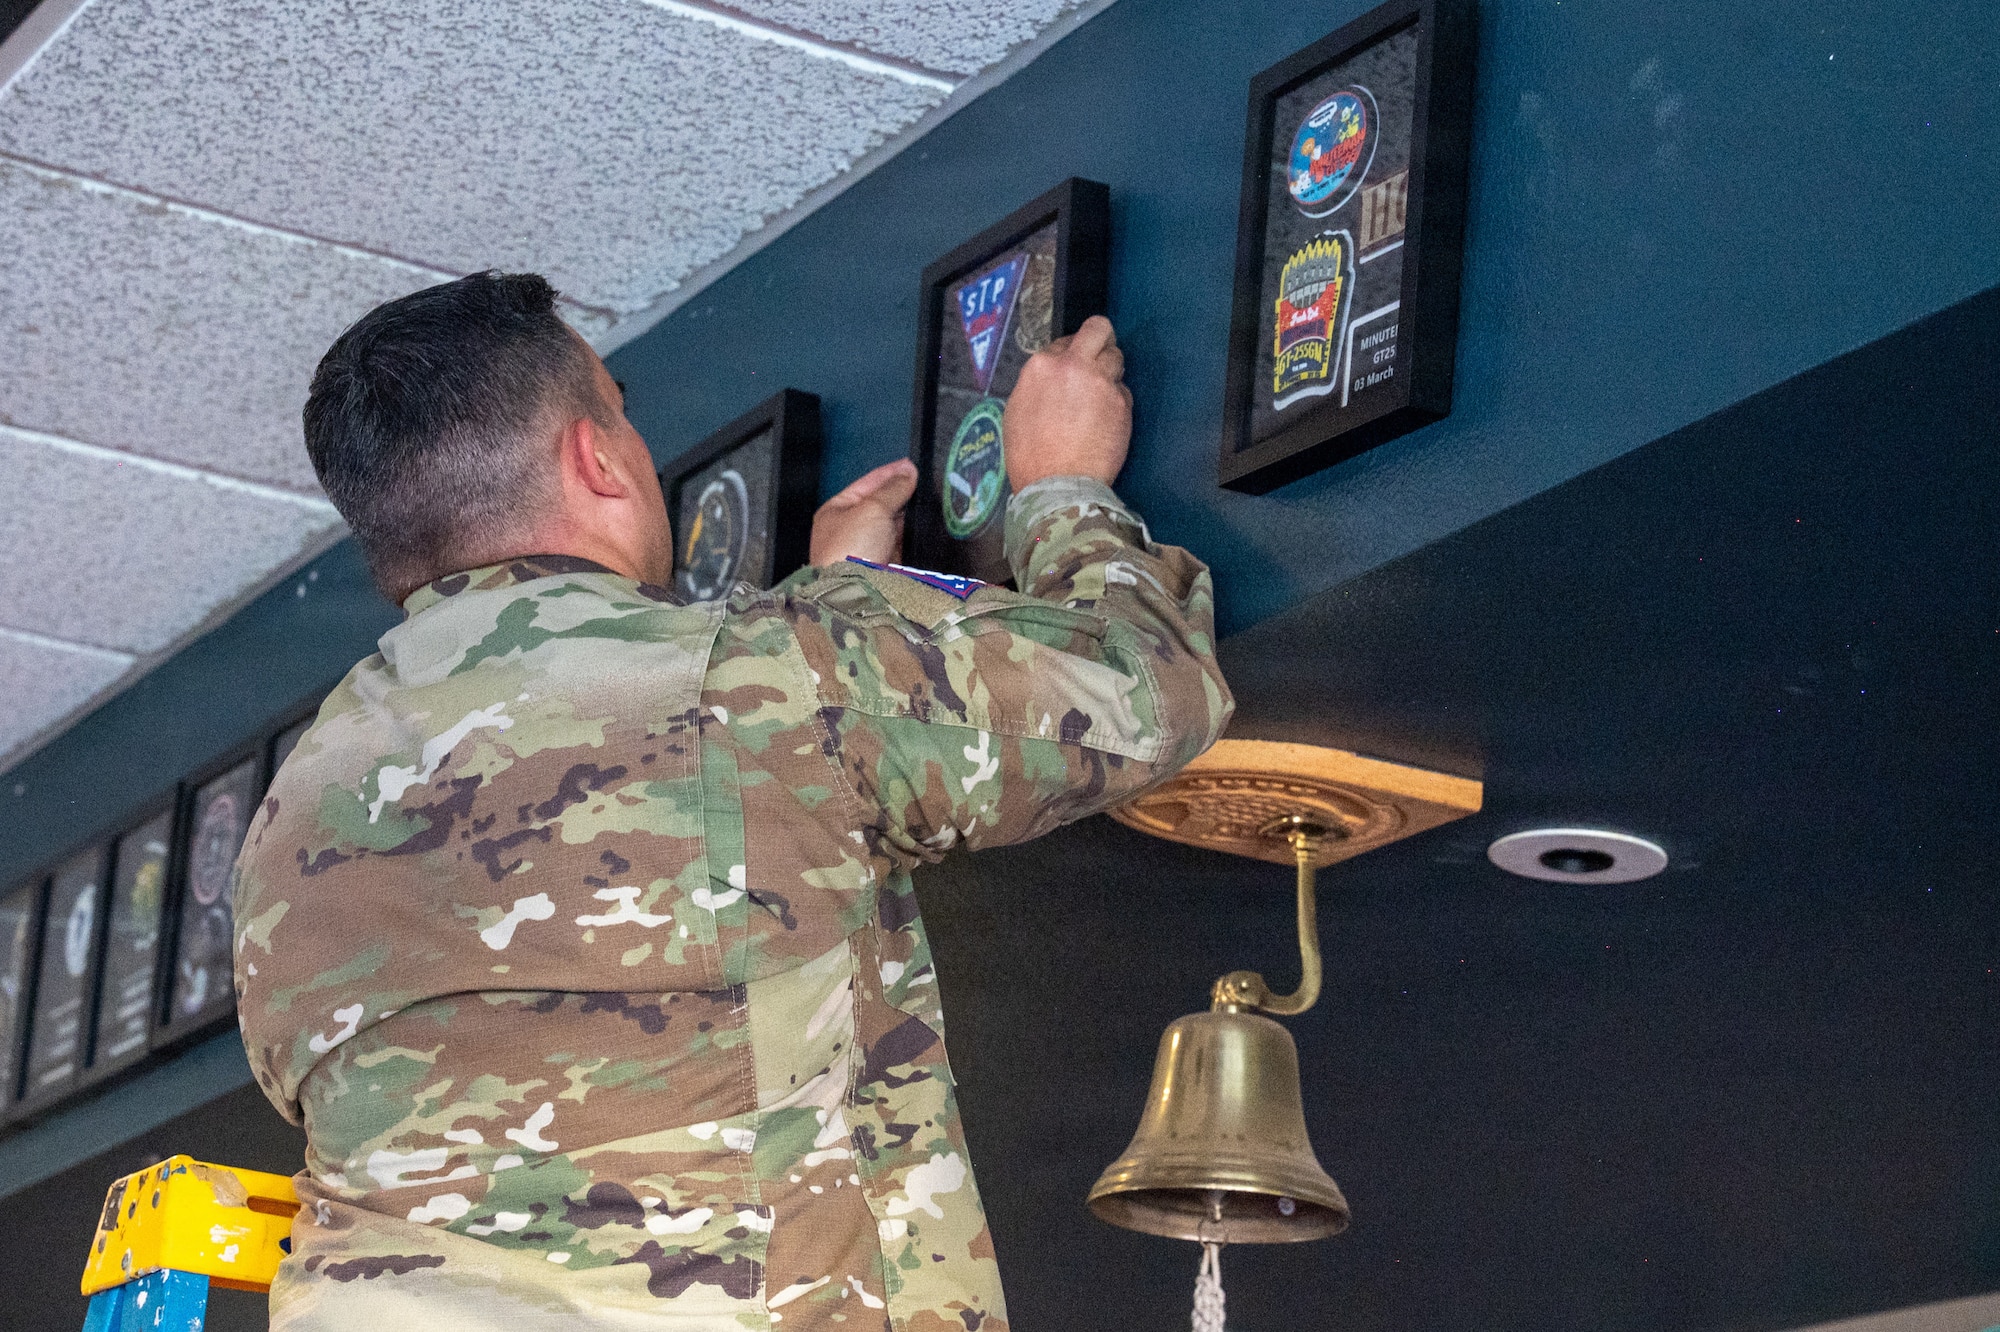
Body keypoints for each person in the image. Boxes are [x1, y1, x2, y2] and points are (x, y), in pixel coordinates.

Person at [233, 271, 1232, 1330]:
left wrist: (825, 624)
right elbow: (1147, 690)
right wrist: (1059, 486)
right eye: (620, 410)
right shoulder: (767, 678)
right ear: (594, 456)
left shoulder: (286, 825)